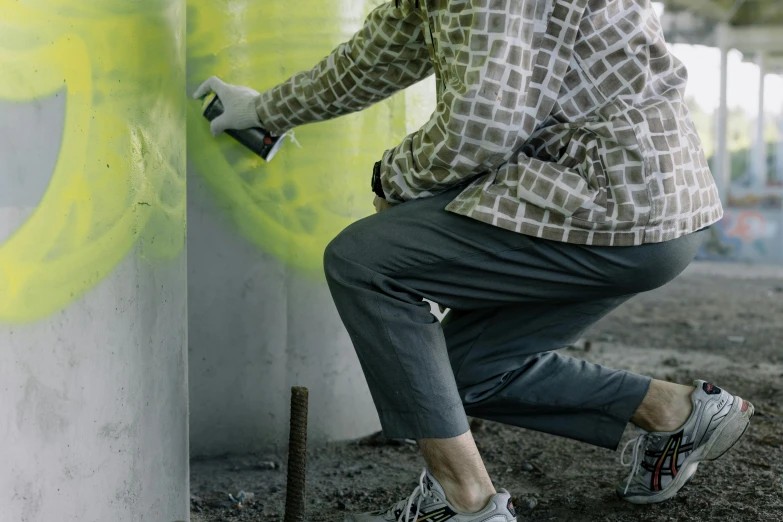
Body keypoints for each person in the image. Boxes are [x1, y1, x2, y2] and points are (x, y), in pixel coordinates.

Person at [194, 0, 754, 520]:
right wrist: (267, 110)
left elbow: (483, 122)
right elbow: (377, 56)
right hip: (657, 211)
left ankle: (465, 502)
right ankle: (674, 412)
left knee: (365, 261)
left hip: (609, 203)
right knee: (452, 373)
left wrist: (393, 176)